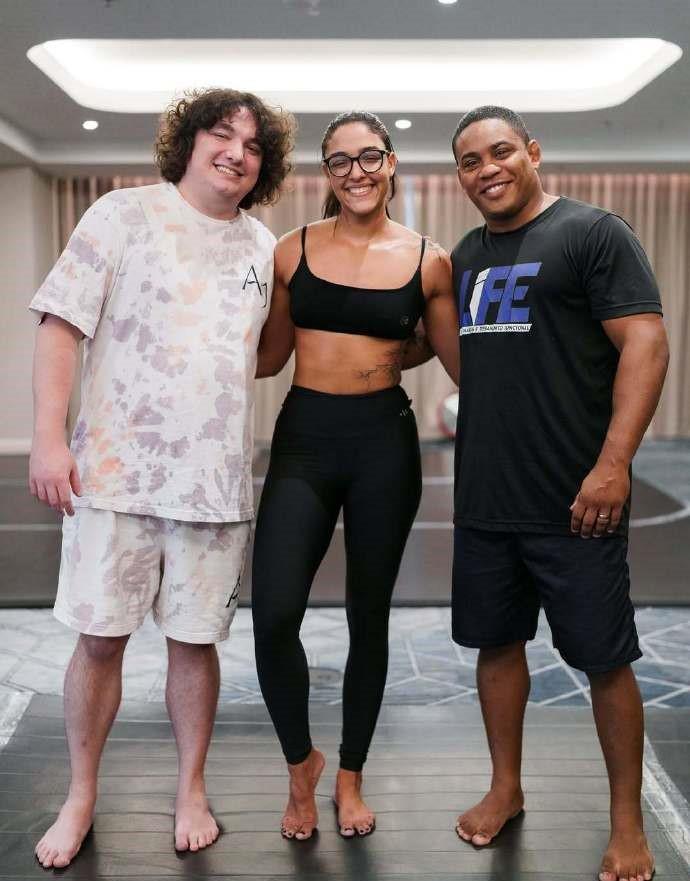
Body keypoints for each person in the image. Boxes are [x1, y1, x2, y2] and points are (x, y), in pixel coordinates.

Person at [28, 88, 294, 869]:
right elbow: (60, 325)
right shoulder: (121, 215)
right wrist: (48, 439)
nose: (237, 152)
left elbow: (262, 355)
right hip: (113, 477)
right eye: (223, 135)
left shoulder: (262, 247)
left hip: (213, 487)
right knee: (99, 639)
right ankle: (80, 793)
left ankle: (191, 788)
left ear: (266, 165)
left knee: (194, 643)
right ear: (188, 141)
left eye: (254, 145)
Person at [449, 105, 668, 881]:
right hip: (486, 499)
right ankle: (505, 787)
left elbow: (646, 342)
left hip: (578, 499)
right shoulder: (466, 255)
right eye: (470, 160)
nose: (487, 169)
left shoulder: (593, 233)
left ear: (533, 152)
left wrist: (614, 464)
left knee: (605, 660)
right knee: (496, 645)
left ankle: (626, 822)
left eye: (501, 151)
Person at [252, 110, 459, 841]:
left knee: (368, 616)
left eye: (369, 157)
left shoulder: (429, 260)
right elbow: (267, 358)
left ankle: (350, 776)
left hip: (383, 443)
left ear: (391, 162)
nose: (356, 172)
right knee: (274, 614)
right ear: (327, 174)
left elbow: (457, 358)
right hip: (305, 439)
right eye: (339, 161)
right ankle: (300, 764)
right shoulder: (292, 249)